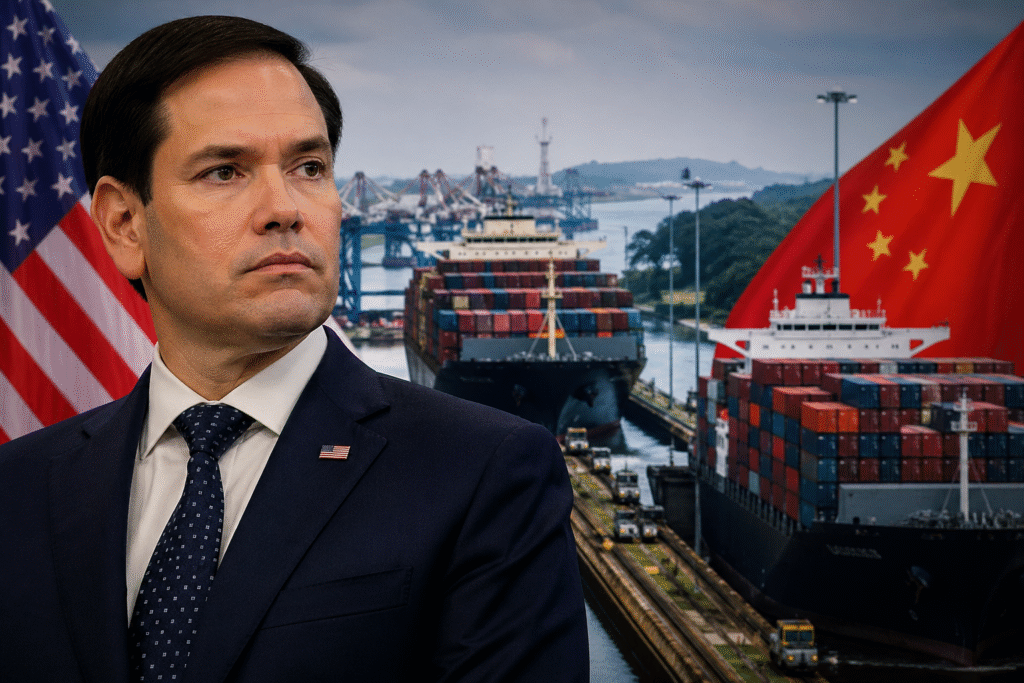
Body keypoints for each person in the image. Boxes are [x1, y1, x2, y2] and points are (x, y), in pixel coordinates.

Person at [0, 15, 589, 683]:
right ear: (125, 223)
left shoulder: (486, 472)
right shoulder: (17, 489)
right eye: (225, 171)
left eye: (309, 167)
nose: (285, 207)